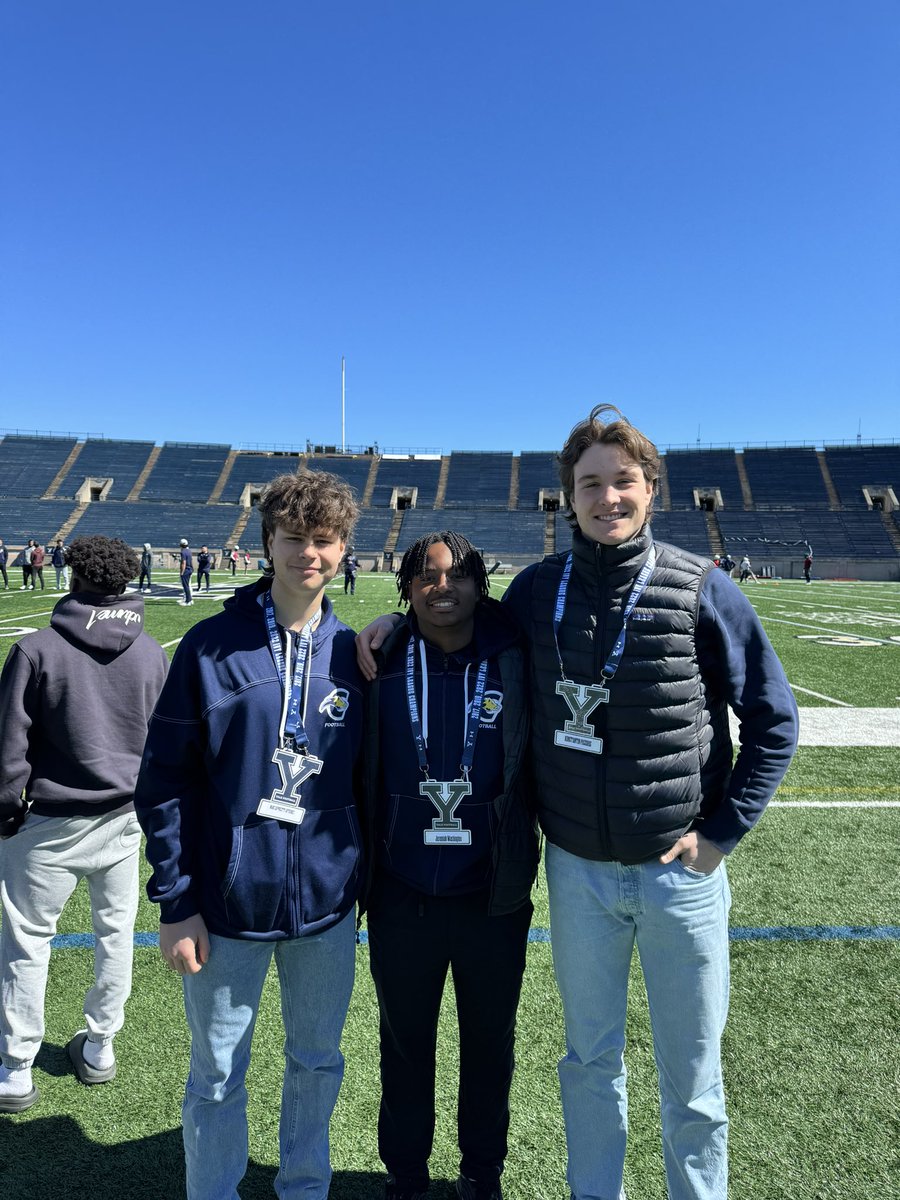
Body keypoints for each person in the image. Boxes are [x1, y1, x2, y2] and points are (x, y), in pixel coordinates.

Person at [358, 405, 799, 1200]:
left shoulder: (704, 587)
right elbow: (451, 615)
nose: (607, 498)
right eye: (590, 484)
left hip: (679, 873)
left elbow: (774, 719)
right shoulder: (534, 592)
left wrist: (721, 835)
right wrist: (391, 621)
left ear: (650, 490)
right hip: (576, 873)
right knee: (589, 1062)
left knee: (692, 1079)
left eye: (621, 481)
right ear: (568, 497)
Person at [135, 470, 365, 1200]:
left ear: (343, 550)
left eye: (324, 541)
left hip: (327, 909)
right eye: (295, 538)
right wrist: (176, 902)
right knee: (215, 1076)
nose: (309, 554)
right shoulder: (210, 647)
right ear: (267, 542)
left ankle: (303, 1187)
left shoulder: (358, 654)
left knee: (318, 1061)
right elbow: (164, 778)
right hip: (226, 908)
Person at [364, 532, 538, 1200]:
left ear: (480, 583)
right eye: (428, 576)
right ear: (407, 587)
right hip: (400, 891)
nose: (444, 588)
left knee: (489, 1045)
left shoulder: (515, 656)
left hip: (490, 894)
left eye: (459, 574)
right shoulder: (378, 656)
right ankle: (405, 1176)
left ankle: (480, 1172)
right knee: (404, 1044)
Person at [0, 536, 168, 1113]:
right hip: (124, 820)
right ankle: (100, 1045)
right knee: (115, 933)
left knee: (27, 941)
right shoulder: (150, 652)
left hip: (48, 821)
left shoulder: (36, 649)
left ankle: (17, 1067)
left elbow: (8, 750)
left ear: (70, 575)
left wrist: (5, 812)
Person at [178, 537, 193, 605]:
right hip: (190, 569)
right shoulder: (189, 551)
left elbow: (184, 562)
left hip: (186, 570)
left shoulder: (183, 552)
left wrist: (182, 572)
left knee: (186, 586)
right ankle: (190, 599)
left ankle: (188, 601)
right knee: (188, 585)